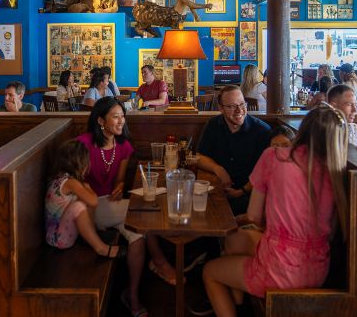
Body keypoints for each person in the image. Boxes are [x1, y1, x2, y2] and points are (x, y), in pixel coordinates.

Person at [202, 105, 349, 317]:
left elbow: (253, 216)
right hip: (318, 269)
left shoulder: (274, 156)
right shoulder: (336, 171)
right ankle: (241, 305)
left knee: (210, 272)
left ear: (303, 130)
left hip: (280, 269)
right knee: (234, 241)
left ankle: (236, 302)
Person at [75, 97, 174, 316]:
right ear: (101, 121)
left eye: (123, 116)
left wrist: (119, 187)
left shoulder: (124, 146)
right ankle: (159, 261)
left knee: (137, 237)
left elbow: (118, 180)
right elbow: (73, 180)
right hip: (88, 208)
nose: (121, 121)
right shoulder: (83, 143)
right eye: (116, 117)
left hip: (111, 204)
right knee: (142, 213)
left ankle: (132, 295)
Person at [197, 86, 271, 215]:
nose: (239, 110)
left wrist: (241, 191)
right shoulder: (213, 125)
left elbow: (267, 171)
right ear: (221, 108)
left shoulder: (262, 131)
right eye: (232, 106)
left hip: (250, 198)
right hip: (216, 193)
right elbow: (200, 156)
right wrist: (218, 169)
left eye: (242, 104)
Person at [45, 140, 120, 258]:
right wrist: (88, 188)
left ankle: (92, 234)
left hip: (54, 236)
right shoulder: (72, 183)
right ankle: (101, 248)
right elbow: (94, 202)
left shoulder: (59, 178)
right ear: (80, 163)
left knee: (82, 202)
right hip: (59, 240)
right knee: (79, 206)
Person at [327, 84, 357, 152]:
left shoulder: (355, 129)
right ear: (333, 106)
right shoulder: (324, 131)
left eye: (355, 105)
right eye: (349, 105)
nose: (355, 110)